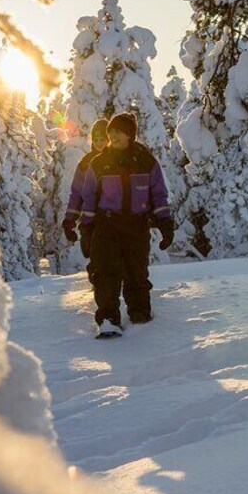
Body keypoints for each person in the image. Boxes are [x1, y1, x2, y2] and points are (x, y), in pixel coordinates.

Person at [79, 112, 174, 338]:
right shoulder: (99, 162)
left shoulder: (145, 161)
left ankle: (140, 312)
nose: (113, 135)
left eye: (118, 131)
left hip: (136, 225)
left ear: (130, 134)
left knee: (136, 271)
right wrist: (86, 230)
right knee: (106, 272)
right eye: (111, 131)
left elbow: (158, 195)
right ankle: (109, 319)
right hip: (107, 225)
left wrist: (165, 223)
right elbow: (89, 198)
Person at [62, 118, 109, 256]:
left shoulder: (117, 160)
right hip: (92, 221)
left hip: (116, 221)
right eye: (96, 139)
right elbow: (77, 193)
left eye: (103, 139)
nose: (99, 143)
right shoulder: (85, 163)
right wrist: (69, 221)